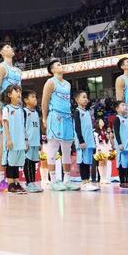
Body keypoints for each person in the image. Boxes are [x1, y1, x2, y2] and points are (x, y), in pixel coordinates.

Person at [41, 60, 79, 191]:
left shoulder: (68, 84)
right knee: (53, 149)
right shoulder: (50, 82)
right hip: (55, 116)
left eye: (61, 64)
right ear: (52, 70)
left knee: (67, 149)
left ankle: (67, 180)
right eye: (58, 65)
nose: (61, 65)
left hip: (67, 117)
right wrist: (44, 118)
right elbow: (44, 102)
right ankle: (53, 180)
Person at [0, 43, 22, 193]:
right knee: (4, 144)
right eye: (8, 47)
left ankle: (13, 179)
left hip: (17, 110)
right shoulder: (1, 67)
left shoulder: (17, 70)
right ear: (2, 52)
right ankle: (1, 179)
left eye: (11, 47)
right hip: (5, 110)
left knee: (14, 144)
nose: (11, 48)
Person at [1, 84, 27, 194]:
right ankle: (10, 184)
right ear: (9, 95)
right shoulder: (6, 108)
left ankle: (17, 183)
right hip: (11, 140)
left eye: (19, 91)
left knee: (17, 163)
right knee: (11, 163)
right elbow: (5, 124)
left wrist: (25, 140)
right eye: (16, 91)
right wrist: (8, 139)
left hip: (20, 141)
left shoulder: (21, 110)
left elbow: (23, 126)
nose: (19, 93)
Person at [73, 90, 99, 192]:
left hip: (89, 142)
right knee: (83, 162)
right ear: (77, 100)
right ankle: (84, 182)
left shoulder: (87, 112)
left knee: (87, 162)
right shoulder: (77, 112)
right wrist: (81, 140)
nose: (86, 99)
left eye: (86, 97)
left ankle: (87, 181)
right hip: (82, 142)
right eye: (83, 97)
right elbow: (77, 128)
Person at [23, 89, 42, 193]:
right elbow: (23, 127)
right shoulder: (24, 112)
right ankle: (29, 183)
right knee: (28, 163)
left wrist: (40, 142)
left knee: (33, 164)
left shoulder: (36, 113)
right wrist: (25, 140)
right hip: (28, 142)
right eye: (32, 97)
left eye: (35, 97)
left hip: (35, 142)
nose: (35, 99)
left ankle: (33, 182)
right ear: (26, 100)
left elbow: (38, 128)